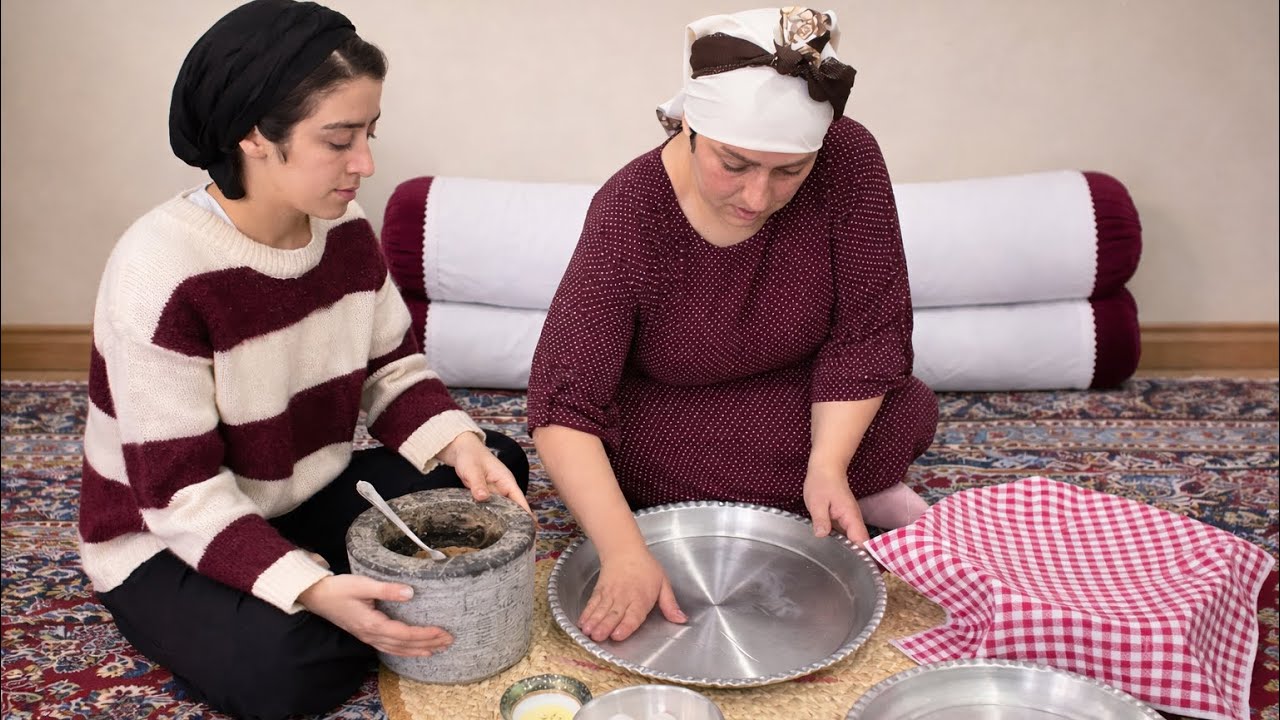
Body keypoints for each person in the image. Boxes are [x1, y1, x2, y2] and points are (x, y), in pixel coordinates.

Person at [77, 2, 531, 717]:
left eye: (369, 133)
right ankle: (305, 587)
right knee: (291, 673)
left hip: (296, 491)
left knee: (492, 468)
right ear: (254, 136)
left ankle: (308, 575)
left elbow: (392, 371)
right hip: (161, 533)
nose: (366, 164)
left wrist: (457, 440)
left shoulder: (345, 232)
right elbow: (178, 493)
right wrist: (310, 587)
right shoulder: (160, 273)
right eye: (339, 139)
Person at [527, 7, 938, 645]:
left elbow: (870, 331)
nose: (756, 198)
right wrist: (626, 552)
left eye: (788, 173)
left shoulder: (849, 158)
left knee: (906, 406)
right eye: (735, 164)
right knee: (633, 458)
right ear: (691, 125)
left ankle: (832, 487)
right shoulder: (630, 210)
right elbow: (564, 406)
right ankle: (853, 491)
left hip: (804, 392)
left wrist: (828, 463)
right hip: (673, 413)